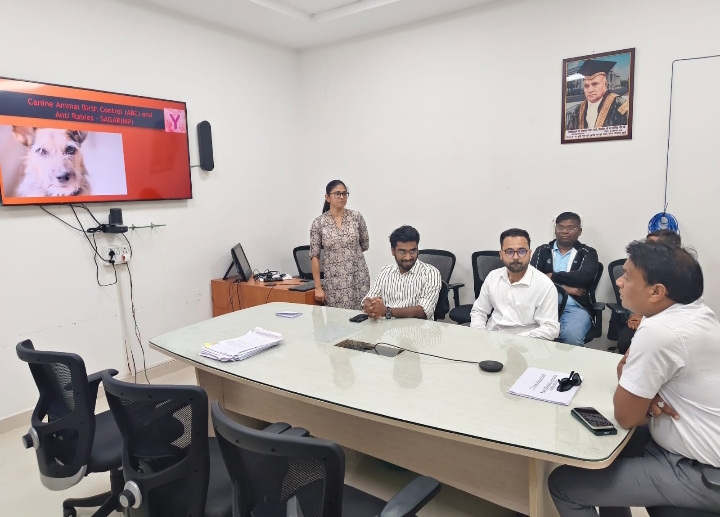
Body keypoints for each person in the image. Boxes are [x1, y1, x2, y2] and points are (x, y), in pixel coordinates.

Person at [548, 242, 720, 516]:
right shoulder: (697, 313)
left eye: (627, 276)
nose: (618, 281)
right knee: (609, 445)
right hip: (694, 450)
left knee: (563, 484)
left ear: (656, 292)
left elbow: (627, 416)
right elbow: (627, 373)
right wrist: (648, 396)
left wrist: (642, 395)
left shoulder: (659, 331)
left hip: (702, 473)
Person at [470, 228, 559, 340]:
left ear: (529, 254)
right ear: (501, 254)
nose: (516, 257)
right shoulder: (493, 277)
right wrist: (479, 335)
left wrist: (514, 340)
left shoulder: (544, 285)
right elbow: (479, 311)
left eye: (522, 251)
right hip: (492, 339)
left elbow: (551, 329)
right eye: (509, 252)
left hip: (525, 344)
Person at [530, 212, 599, 346]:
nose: (565, 232)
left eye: (570, 228)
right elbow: (534, 279)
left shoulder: (588, 253)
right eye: (560, 227)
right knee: (528, 335)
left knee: (571, 338)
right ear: (555, 229)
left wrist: (552, 276)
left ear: (579, 231)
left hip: (575, 307)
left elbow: (584, 277)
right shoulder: (542, 251)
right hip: (541, 306)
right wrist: (565, 289)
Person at [616, 229, 682, 354]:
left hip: (662, 323)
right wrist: (635, 315)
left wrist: (642, 317)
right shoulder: (638, 265)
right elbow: (635, 292)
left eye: (651, 244)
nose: (646, 248)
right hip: (641, 315)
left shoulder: (679, 274)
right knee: (626, 342)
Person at [309, 180, 370, 309]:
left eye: (344, 193)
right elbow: (314, 256)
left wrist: (348, 256)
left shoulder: (356, 217)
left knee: (361, 316)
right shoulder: (319, 223)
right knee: (336, 318)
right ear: (327, 197)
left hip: (358, 277)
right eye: (337, 194)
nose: (341, 197)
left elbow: (364, 244)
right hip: (334, 281)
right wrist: (318, 287)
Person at [362, 226, 441, 320]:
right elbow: (369, 297)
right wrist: (369, 305)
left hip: (416, 327)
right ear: (393, 251)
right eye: (402, 252)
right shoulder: (385, 271)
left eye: (412, 251)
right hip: (386, 327)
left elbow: (424, 311)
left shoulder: (431, 273)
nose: (408, 257)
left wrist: (387, 311)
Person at [566, 59, 629, 130]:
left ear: (605, 84)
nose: (590, 90)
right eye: (586, 86)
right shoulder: (578, 110)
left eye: (595, 84)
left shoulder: (620, 106)